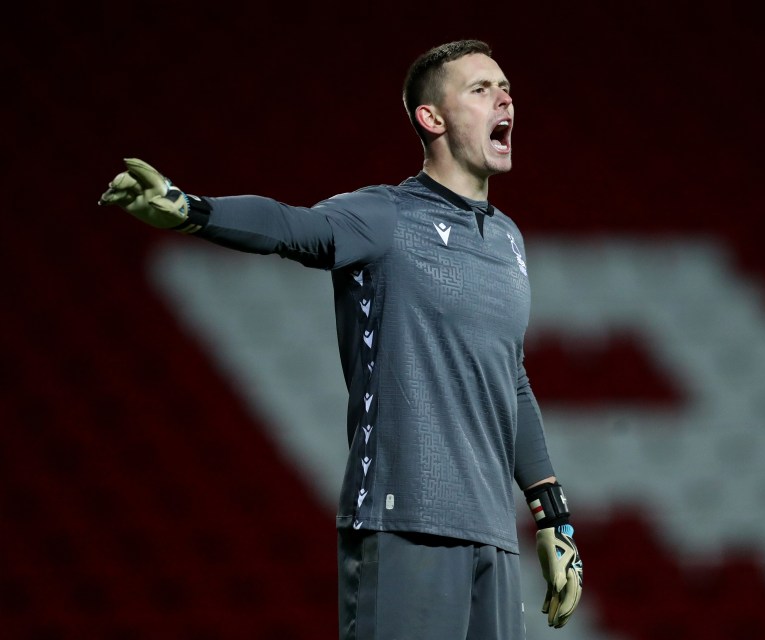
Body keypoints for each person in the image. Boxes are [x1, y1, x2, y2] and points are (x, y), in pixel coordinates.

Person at [99, 39, 583, 639]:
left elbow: (510, 378)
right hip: (404, 523)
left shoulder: (508, 239)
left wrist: (551, 518)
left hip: (492, 536)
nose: (504, 97)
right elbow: (288, 225)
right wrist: (191, 208)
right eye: (480, 89)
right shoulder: (384, 216)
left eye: (505, 87)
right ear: (431, 118)